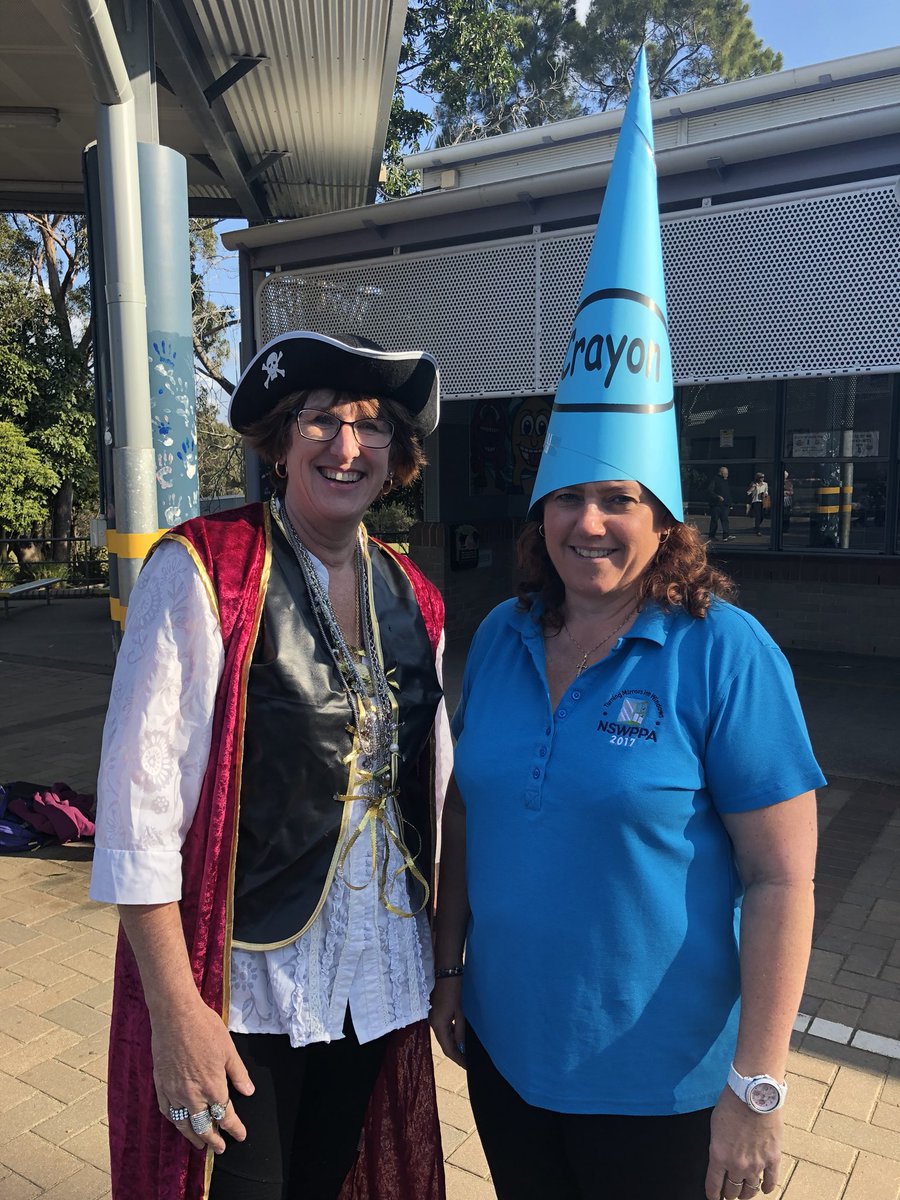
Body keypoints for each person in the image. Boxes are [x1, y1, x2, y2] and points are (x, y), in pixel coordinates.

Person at [430, 49, 823, 1200]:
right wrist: (450, 970)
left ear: (664, 519)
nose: (589, 523)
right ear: (539, 507)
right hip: (507, 1059)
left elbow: (785, 883)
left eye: (619, 501)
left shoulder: (724, 654)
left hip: (664, 1094)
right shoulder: (500, 633)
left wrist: (757, 1087)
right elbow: (467, 810)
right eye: (569, 498)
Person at [90, 330, 448, 1200]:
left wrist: (453, 968)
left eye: (373, 427)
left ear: (399, 454)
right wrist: (178, 1014)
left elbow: (439, 793)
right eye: (320, 420)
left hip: (376, 979)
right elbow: (138, 815)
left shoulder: (415, 594)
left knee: (328, 1183)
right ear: (281, 440)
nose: (347, 446)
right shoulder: (205, 568)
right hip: (245, 980)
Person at [707, 466, 735, 541]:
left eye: (727, 473)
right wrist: (717, 496)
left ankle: (726, 535)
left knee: (725, 519)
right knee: (714, 520)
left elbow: (728, 493)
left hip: (725, 504)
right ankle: (711, 536)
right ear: (721, 473)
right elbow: (710, 491)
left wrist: (730, 504)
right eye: (725, 473)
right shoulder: (715, 480)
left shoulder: (726, 481)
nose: (727, 475)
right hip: (716, 505)